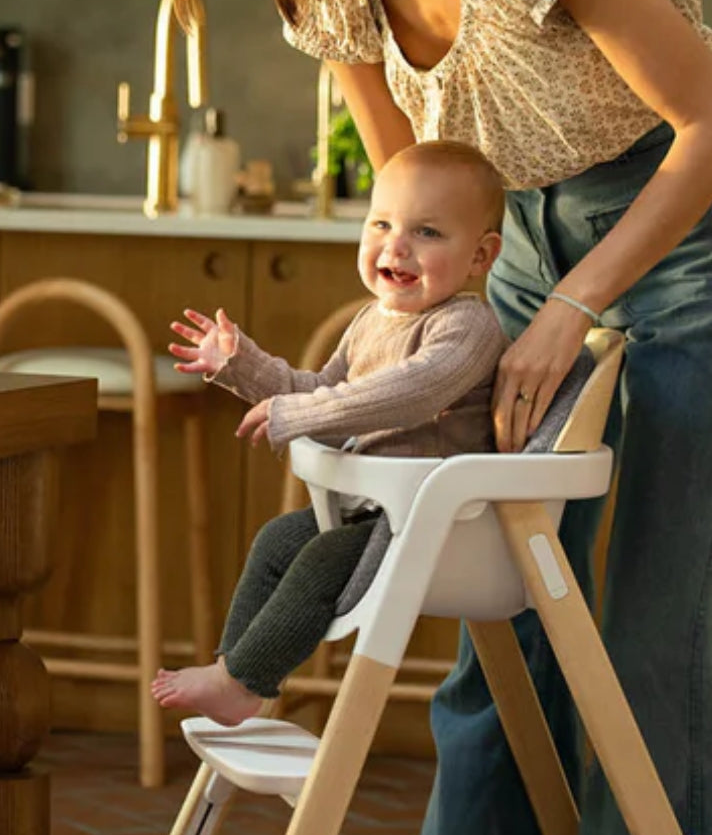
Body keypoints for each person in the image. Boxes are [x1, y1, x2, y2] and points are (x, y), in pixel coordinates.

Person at [146, 0, 712, 835]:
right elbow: (411, 175)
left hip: (682, 236)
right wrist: (404, 326)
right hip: (506, 243)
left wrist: (575, 304)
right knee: (512, 605)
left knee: (648, 637)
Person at [151, 140, 506, 726]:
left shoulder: (467, 325)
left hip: (437, 521)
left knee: (318, 560)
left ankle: (242, 679)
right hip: (378, 511)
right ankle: (235, 674)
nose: (397, 246)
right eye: (382, 225)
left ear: (480, 256)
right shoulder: (371, 321)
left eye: (428, 233)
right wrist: (240, 365)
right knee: (276, 542)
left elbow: (414, 391)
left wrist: (298, 417)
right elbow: (318, 388)